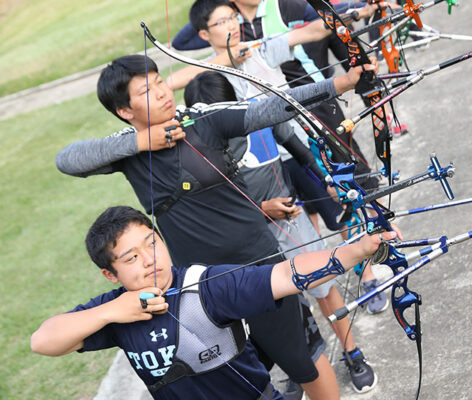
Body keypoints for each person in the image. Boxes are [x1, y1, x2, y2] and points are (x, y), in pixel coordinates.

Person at [55, 54, 375, 399]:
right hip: (198, 288)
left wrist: (340, 83)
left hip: (257, 267)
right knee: (230, 372)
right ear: (125, 111)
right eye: (146, 90)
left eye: (160, 81)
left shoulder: (202, 120)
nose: (162, 92)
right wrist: (142, 143)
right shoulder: (126, 150)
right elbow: (67, 160)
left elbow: (267, 109)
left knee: (302, 360)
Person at [30, 205, 402, 399]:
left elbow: (286, 274)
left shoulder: (206, 285)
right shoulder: (114, 308)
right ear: (111, 275)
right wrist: (114, 311)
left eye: (152, 243)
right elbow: (43, 341)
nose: (150, 260)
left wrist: (357, 250)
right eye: (131, 258)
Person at [171, 0, 392, 317]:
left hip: (296, 149)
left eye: (233, 18)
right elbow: (171, 82)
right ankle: (316, 293)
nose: (233, 25)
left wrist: (356, 13)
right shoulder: (208, 73)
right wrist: (224, 59)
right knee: (298, 224)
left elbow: (314, 29)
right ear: (205, 34)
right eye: (222, 22)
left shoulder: (259, 48)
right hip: (258, 166)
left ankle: (367, 277)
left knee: (339, 211)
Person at [185, 70, 389, 394]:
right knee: (280, 308)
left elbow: (301, 151)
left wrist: (327, 181)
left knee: (324, 287)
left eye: (220, 112)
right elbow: (212, 208)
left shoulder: (255, 119)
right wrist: (261, 209)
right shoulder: (197, 154)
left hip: (290, 223)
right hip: (250, 242)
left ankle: (352, 352)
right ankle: (300, 367)